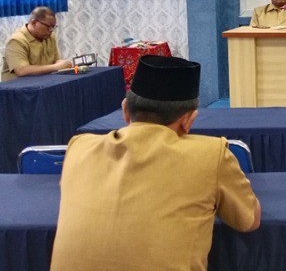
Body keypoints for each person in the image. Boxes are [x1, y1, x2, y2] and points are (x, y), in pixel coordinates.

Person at [50, 55, 261, 270]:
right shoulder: (210, 154)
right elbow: (249, 220)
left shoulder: (79, 147)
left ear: (125, 110)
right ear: (188, 120)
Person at [1, 6, 73, 81]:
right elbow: (21, 70)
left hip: (44, 82)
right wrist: (56, 67)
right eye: (48, 26)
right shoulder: (16, 41)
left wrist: (65, 64)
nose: (51, 30)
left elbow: (55, 61)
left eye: (53, 27)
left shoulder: (50, 37)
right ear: (34, 23)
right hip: (18, 86)